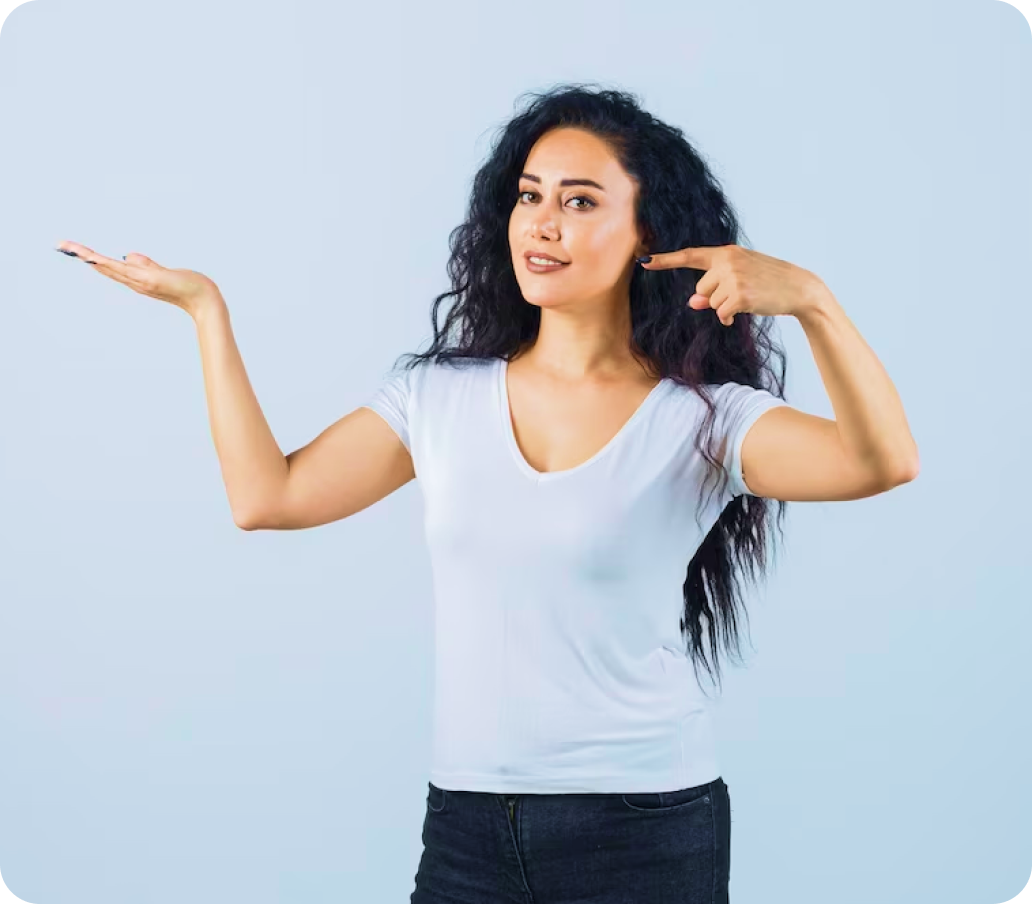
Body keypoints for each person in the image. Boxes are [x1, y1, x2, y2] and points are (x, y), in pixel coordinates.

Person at [55, 83, 918, 904]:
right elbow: (266, 496)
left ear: (648, 234)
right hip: (466, 823)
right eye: (529, 196)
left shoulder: (705, 421)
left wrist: (813, 303)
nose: (542, 223)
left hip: (644, 826)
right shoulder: (438, 399)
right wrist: (207, 311)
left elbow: (880, 462)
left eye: (579, 202)